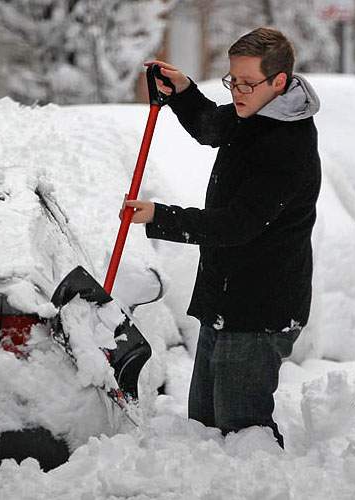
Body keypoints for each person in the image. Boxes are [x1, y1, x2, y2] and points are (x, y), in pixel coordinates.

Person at [123, 27, 321, 449]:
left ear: (280, 81)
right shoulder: (256, 110)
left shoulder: (287, 146)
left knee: (243, 433)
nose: (237, 92)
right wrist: (183, 91)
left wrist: (161, 216)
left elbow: (236, 225)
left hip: (259, 312)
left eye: (248, 83)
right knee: (206, 429)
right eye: (233, 81)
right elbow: (212, 127)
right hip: (226, 301)